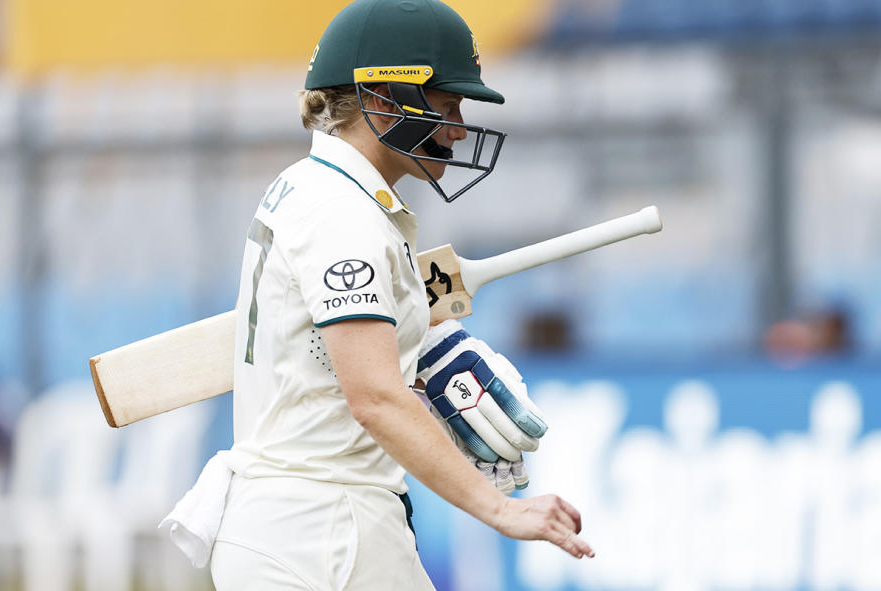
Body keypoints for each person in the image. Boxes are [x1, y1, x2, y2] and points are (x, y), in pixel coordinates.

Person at [173, 1, 595, 589]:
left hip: (287, 524)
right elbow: (373, 396)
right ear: (380, 99)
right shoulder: (343, 214)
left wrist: (426, 350)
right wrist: (501, 509)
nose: (455, 130)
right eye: (446, 106)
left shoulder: (304, 186)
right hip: (328, 531)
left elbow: (326, 360)